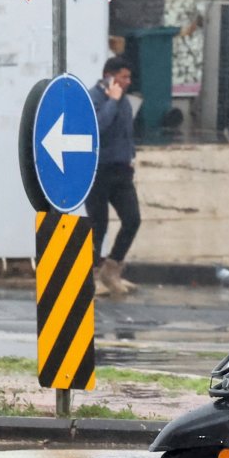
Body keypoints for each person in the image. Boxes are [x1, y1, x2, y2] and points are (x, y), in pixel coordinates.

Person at [86, 56, 141, 298]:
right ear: (109, 76)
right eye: (123, 77)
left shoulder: (125, 101)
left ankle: (112, 268)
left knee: (132, 219)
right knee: (98, 225)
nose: (128, 82)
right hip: (98, 170)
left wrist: (130, 156)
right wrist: (112, 101)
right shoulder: (93, 97)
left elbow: (126, 132)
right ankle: (91, 275)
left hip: (121, 169)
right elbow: (98, 128)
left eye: (129, 77)